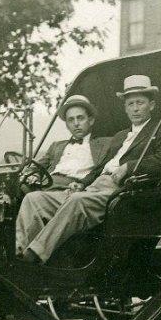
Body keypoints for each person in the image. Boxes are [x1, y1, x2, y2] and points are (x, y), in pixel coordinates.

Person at [17, 75, 161, 264]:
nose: (135, 108)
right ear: (125, 108)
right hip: (94, 188)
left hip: (121, 192)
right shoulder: (120, 136)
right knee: (34, 199)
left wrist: (128, 167)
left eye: (140, 102)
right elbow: (99, 169)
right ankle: (22, 254)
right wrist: (81, 184)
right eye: (130, 104)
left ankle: (36, 255)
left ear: (151, 105)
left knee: (76, 201)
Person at [15, 94, 110, 254]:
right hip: (49, 188)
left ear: (91, 120)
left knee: (32, 199)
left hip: (75, 190)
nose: (76, 124)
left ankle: (27, 255)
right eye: (71, 120)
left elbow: (106, 168)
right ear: (66, 124)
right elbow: (35, 166)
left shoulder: (106, 144)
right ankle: (23, 254)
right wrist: (34, 175)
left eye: (80, 118)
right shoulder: (56, 146)